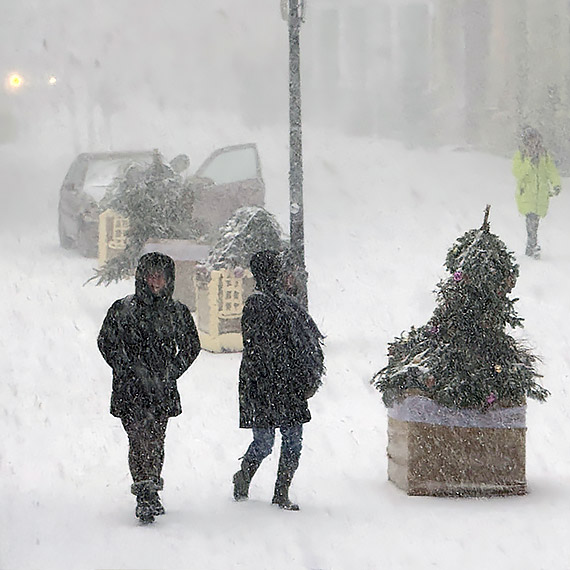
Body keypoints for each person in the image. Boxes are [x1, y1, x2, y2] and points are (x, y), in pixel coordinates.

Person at [97, 252, 201, 524]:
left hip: (160, 388)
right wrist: (126, 369)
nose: (155, 280)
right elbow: (106, 342)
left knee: (156, 439)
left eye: (160, 275)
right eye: (150, 274)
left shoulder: (177, 312)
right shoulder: (122, 308)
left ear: (169, 280)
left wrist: (170, 372)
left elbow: (191, 347)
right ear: (141, 277)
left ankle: (152, 486)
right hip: (130, 389)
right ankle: (144, 493)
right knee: (138, 439)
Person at [232, 250, 325, 511]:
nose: (290, 277)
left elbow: (305, 344)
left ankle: (281, 492)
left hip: (289, 385)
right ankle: (243, 476)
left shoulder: (289, 304)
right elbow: (256, 348)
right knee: (264, 443)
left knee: (293, 440)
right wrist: (276, 372)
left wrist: (304, 374)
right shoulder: (257, 304)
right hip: (263, 384)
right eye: (284, 271)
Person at [512, 126, 561, 259]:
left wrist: (556, 184)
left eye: (535, 139)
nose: (534, 142)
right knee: (531, 219)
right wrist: (528, 161)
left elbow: (551, 170)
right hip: (527, 195)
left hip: (541, 195)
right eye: (531, 139)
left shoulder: (544, 154)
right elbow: (518, 173)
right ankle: (533, 245)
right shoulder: (521, 154)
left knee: (535, 221)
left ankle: (531, 247)